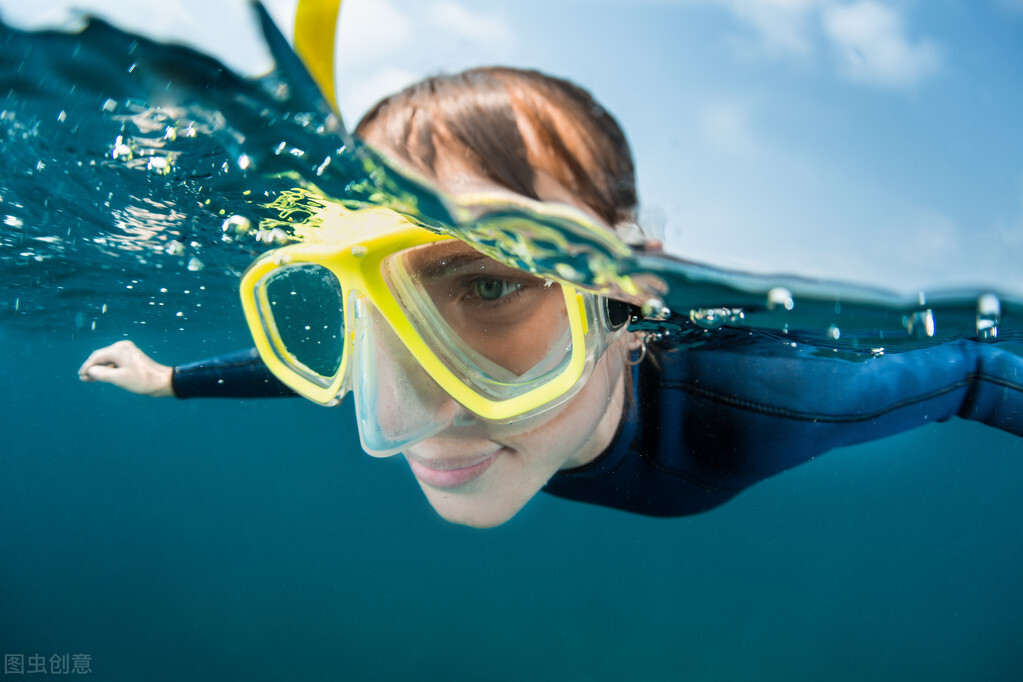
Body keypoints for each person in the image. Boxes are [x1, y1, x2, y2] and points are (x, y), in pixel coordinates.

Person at [79, 67, 1023, 528]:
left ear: (622, 285)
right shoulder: (404, 376)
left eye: (489, 282)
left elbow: (978, 368)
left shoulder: (746, 410)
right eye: (371, 308)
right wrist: (170, 380)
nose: (405, 412)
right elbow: (330, 368)